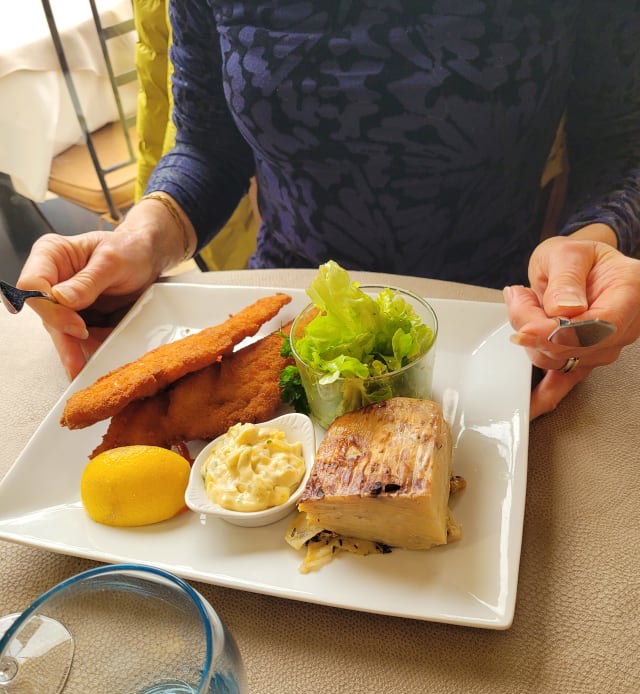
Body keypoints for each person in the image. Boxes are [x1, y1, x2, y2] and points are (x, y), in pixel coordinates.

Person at [16, 1, 640, 419]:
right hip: (285, 322)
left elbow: (620, 140)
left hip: (500, 336)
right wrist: (142, 236)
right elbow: (209, 146)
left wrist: (596, 236)